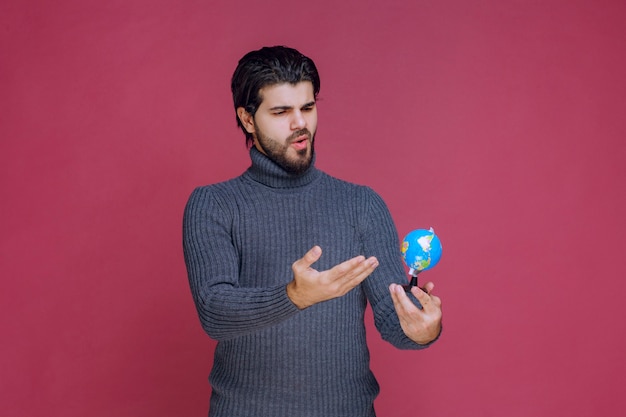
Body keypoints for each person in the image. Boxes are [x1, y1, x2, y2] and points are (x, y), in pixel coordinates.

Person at [183, 45, 443, 417]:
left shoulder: (361, 204)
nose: (299, 123)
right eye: (281, 112)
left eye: (307, 107)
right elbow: (215, 311)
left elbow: (392, 316)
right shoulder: (214, 204)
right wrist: (294, 296)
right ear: (247, 118)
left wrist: (423, 328)